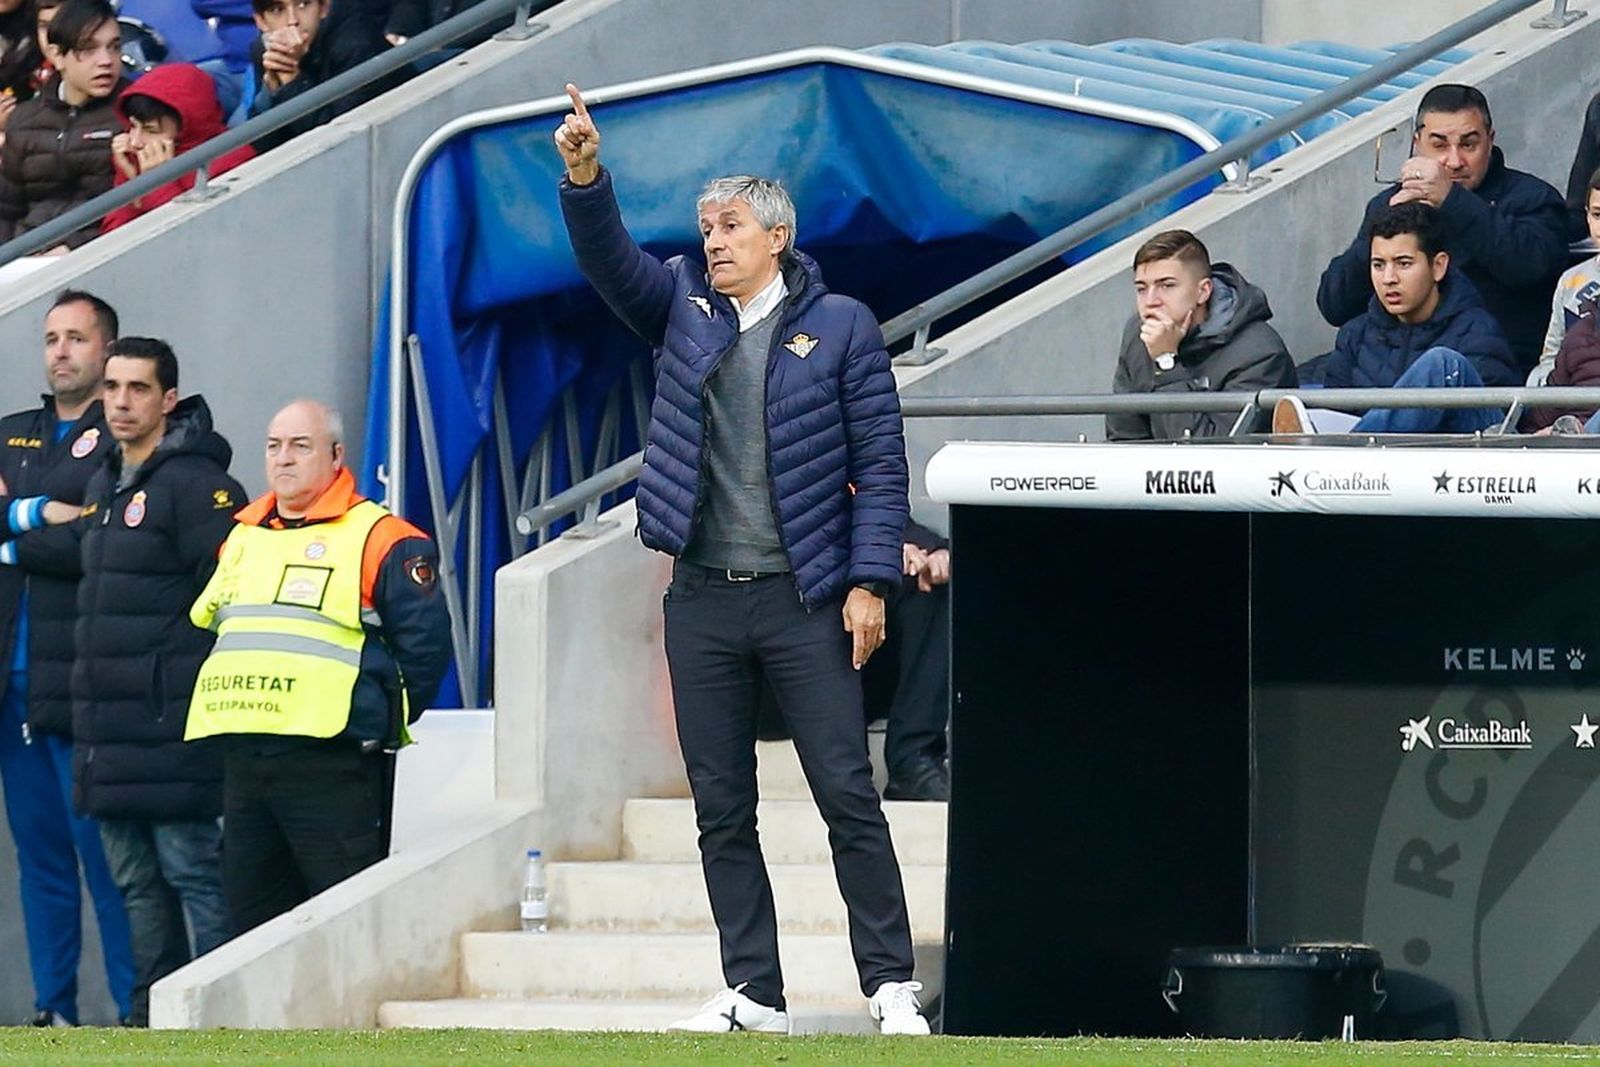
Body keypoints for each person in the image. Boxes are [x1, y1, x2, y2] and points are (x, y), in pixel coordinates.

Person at [555, 84, 929, 1036]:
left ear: (775, 236)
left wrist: (869, 581)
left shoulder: (841, 323)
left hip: (804, 597)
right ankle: (754, 990)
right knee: (721, 804)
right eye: (705, 227)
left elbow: (882, 465)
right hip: (702, 599)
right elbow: (611, 263)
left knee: (847, 788)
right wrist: (587, 177)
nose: (711, 241)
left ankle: (890, 983)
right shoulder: (681, 305)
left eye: (728, 227)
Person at [184, 399, 450, 935]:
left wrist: (376, 719)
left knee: (342, 920)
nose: (284, 459)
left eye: (300, 446)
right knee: (252, 926)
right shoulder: (243, 535)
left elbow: (424, 650)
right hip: (246, 754)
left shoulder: (382, 537)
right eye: (274, 445)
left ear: (335, 456)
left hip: (331, 760)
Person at [71, 338, 243, 1027]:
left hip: (173, 728)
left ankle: (224, 1020)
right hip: (109, 734)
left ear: (168, 399)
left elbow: (231, 597)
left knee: (196, 877)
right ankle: (150, 1025)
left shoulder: (197, 485)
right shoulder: (101, 480)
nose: (120, 401)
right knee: (136, 887)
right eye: (111, 387)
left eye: (137, 388)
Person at [0, 290, 132, 1027]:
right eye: (51, 337)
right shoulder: (10, 433)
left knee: (108, 862)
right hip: (10, 691)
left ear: (106, 351)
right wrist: (35, 512)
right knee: (40, 859)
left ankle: (130, 1012)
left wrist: (10, 534)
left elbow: (97, 538)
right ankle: (55, 1014)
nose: (60, 350)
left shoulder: (118, 438)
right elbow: (64, 523)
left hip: (81, 685)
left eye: (76, 338)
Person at [1315, 83, 1567, 373]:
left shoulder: (1532, 197)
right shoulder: (1390, 203)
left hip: (1492, 371)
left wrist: (1452, 200)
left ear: (1490, 140)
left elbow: (1530, 267)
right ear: (1417, 144)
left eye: (1468, 145)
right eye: (1439, 145)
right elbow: (1334, 304)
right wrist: (1385, 223)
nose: (1454, 161)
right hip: (1388, 366)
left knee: (1438, 366)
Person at [1275, 203, 1515, 436]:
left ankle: (1347, 455)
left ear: (1439, 266)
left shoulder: (1477, 332)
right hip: (1368, 476)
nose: (1389, 278)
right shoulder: (1354, 335)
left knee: (1442, 364)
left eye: (1403, 264)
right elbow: (1337, 417)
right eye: (1378, 265)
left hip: (1456, 466)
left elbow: (1482, 426)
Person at [1105, 229, 1295, 441]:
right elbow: (1124, 439)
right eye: (1141, 288)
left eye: (1167, 286)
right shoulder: (1139, 334)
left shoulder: (1260, 352)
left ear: (1203, 291)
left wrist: (1166, 363)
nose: (1150, 301)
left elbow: (1211, 454)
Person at [0, 0, 128, 250]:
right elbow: (5, 210)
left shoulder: (133, 112)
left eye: (114, 47)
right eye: (88, 49)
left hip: (97, 252)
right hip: (24, 256)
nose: (106, 61)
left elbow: (127, 208)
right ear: (57, 55)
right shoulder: (24, 120)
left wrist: (74, 244)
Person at [100, 63, 256, 233]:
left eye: (151, 130)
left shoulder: (234, 160)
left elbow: (198, 237)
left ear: (186, 127)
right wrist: (130, 179)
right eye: (132, 126)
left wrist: (157, 184)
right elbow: (113, 237)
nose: (135, 141)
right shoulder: (138, 157)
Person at [245, 0, 395, 153]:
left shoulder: (356, 47)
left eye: (303, 4)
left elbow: (341, 145)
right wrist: (271, 90)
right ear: (261, 21)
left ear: (324, 7)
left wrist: (292, 81)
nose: (292, 21)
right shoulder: (266, 51)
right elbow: (264, 147)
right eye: (277, 9)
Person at [876, 519, 949, 803]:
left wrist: (934, 552)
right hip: (765, 674)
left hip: (858, 676)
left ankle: (912, 763)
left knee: (928, 578)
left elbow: (887, 513)